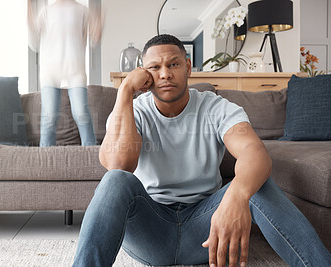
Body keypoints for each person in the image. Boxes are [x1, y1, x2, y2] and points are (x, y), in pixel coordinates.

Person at [73, 34, 331, 267]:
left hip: (206, 228)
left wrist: (237, 195)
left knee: (256, 183)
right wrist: (126, 91)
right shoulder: (133, 110)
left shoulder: (216, 108)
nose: (165, 74)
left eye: (173, 64)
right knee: (115, 180)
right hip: (150, 230)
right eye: (155, 68)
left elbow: (254, 153)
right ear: (145, 74)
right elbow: (120, 164)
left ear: (187, 67)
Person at [27, 0, 102, 147]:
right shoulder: (45, 12)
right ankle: (45, 159)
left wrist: (100, 20)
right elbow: (34, 44)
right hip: (50, 71)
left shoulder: (82, 11)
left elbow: (95, 39)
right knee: (49, 116)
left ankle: (92, 153)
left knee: (81, 113)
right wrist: (29, 16)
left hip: (76, 69)